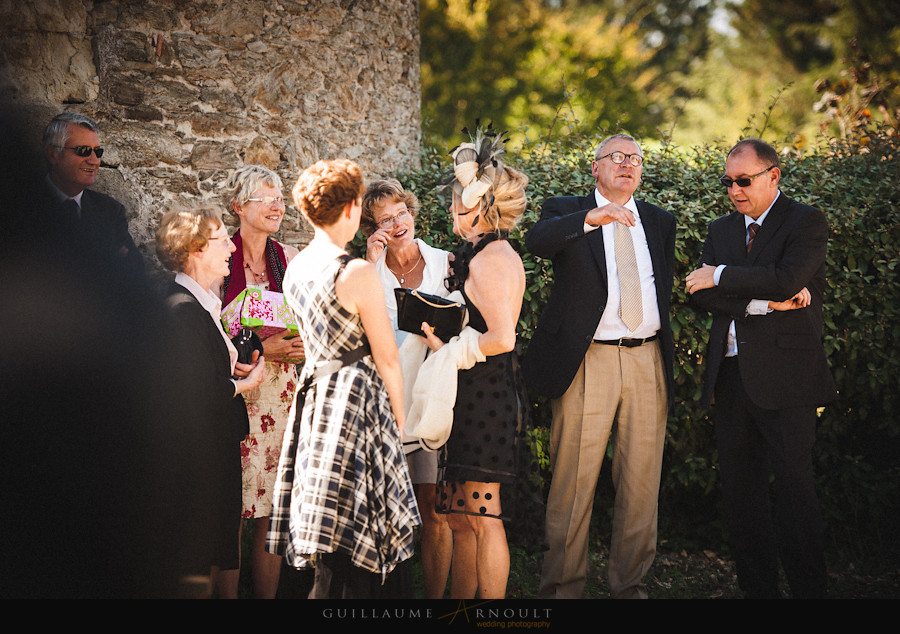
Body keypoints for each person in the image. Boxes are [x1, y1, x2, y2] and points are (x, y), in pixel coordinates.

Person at [524, 133, 676, 599]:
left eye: (635, 158)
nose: (627, 164)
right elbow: (537, 242)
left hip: (647, 357)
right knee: (574, 481)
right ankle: (562, 590)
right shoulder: (565, 211)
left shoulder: (659, 221)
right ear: (596, 167)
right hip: (589, 360)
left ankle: (629, 587)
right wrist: (593, 219)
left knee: (641, 481)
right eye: (617, 157)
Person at [686, 138, 837, 599]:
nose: (734, 189)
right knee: (741, 496)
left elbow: (788, 278)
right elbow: (699, 293)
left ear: (773, 176)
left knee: (795, 492)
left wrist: (721, 274)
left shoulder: (805, 221)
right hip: (731, 378)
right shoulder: (721, 228)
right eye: (728, 181)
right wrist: (759, 301)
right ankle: (758, 594)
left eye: (744, 180)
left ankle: (810, 593)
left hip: (788, 380)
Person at [265, 159, 420, 598]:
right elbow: (387, 359)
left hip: (313, 398)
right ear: (352, 208)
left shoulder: (296, 266)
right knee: (364, 521)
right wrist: (399, 422)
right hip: (357, 399)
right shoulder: (356, 272)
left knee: (324, 518)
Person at [419, 127, 538, 600]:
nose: (452, 216)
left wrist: (446, 348)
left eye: (457, 207)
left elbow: (502, 338)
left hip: (488, 401)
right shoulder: (482, 254)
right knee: (461, 519)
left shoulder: (491, 260)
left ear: (480, 209)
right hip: (472, 396)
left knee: (484, 522)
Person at [156, 205, 266, 597]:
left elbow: (201, 370)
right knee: (197, 556)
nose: (231, 250)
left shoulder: (203, 303)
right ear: (196, 249)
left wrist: (230, 369)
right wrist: (245, 384)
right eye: (222, 241)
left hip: (215, 447)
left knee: (216, 548)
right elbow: (193, 391)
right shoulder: (181, 308)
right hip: (197, 456)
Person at [361, 179, 453, 599]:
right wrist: (369, 261)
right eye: (385, 219)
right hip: (384, 397)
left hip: (432, 394)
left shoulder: (443, 262)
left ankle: (434, 600)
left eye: (401, 213)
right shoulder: (368, 269)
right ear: (373, 228)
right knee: (384, 505)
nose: (397, 224)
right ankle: (388, 597)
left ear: (412, 213)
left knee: (434, 508)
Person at [215, 165, 303, 599]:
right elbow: (208, 326)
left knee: (271, 505)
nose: (277, 205)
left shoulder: (287, 258)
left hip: (281, 394)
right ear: (238, 207)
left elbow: (305, 318)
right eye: (265, 198)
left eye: (280, 198)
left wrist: (304, 342)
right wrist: (264, 349)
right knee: (231, 505)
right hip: (234, 391)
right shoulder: (219, 255)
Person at [41, 112, 144, 282]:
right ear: (53, 154)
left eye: (98, 152)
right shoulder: (22, 205)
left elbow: (134, 273)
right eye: (83, 151)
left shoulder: (110, 211)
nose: (95, 161)